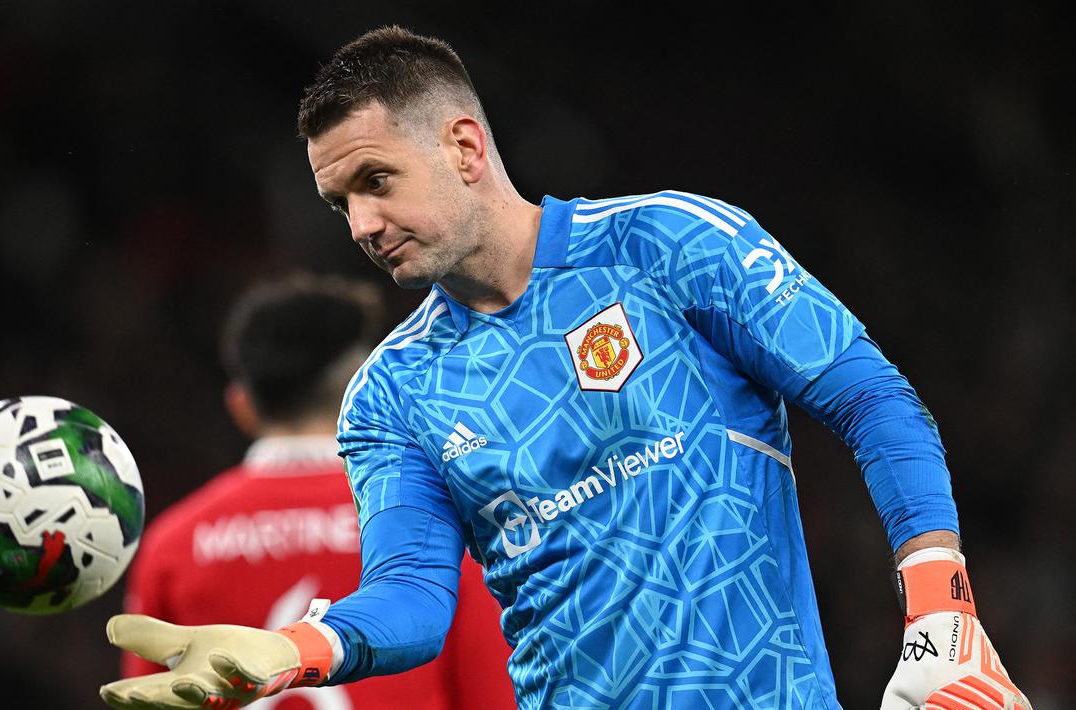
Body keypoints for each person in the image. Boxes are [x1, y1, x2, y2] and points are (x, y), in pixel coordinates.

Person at [101, 26, 1033, 710]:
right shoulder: (390, 394)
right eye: (338, 200)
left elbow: (873, 400)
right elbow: (415, 600)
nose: (359, 227)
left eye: (375, 181)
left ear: (464, 146)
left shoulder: (669, 244)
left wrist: (938, 612)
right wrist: (294, 649)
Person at [115, 273, 516, 709]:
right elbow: (492, 693)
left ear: (241, 406)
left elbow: (143, 700)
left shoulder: (172, 545)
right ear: (365, 394)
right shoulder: (441, 524)